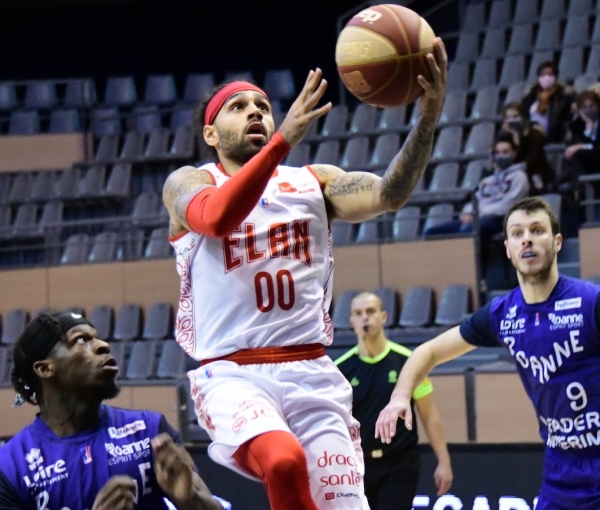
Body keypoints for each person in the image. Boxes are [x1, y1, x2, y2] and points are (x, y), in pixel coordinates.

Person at [161, 37, 448, 510]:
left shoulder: (313, 182)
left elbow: (389, 195)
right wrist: (281, 143)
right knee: (283, 462)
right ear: (211, 134)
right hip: (233, 373)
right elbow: (215, 219)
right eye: (238, 107)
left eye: (263, 105)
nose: (255, 111)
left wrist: (429, 117)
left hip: (312, 372)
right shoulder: (190, 182)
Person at [375, 196, 600, 509]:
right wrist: (400, 397)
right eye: (518, 233)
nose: (528, 239)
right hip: (559, 470)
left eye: (537, 230)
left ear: (558, 241)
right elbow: (427, 352)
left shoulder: (589, 302)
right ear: (508, 248)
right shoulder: (503, 314)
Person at [0, 311, 228, 510]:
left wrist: (189, 500)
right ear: (45, 368)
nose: (103, 345)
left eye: (96, 337)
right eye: (81, 340)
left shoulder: (149, 431)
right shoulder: (10, 467)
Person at [334, 292, 452, 510]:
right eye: (358, 314)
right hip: (358, 465)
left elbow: (429, 414)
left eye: (370, 312)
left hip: (400, 462)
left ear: (384, 316)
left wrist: (444, 462)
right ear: (351, 321)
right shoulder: (340, 369)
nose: (364, 318)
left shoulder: (408, 362)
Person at [423, 133, 530, 242]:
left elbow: (508, 205)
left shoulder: (519, 178)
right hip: (477, 217)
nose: (501, 155)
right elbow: (475, 200)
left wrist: (478, 214)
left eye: (505, 152)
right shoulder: (487, 181)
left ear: (514, 154)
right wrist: (467, 213)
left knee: (467, 232)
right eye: (497, 152)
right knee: (432, 233)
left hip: (500, 219)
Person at [501, 102, 554, 194]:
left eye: (515, 116)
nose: (512, 120)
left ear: (523, 117)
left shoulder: (535, 135)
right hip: (512, 176)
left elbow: (531, 161)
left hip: (535, 175)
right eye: (509, 118)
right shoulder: (505, 138)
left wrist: (517, 139)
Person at [522, 61, 575, 144]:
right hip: (533, 136)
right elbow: (525, 117)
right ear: (538, 77)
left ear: (556, 77)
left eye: (550, 74)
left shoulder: (565, 95)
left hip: (555, 138)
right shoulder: (530, 95)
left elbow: (565, 119)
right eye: (543, 75)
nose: (546, 78)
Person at [559, 90, 600, 197]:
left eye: (592, 106)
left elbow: (596, 146)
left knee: (578, 154)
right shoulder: (576, 125)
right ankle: (577, 191)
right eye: (585, 107)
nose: (589, 110)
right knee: (575, 156)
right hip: (585, 163)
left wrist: (581, 145)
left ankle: (577, 191)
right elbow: (569, 148)